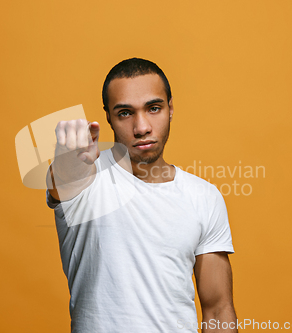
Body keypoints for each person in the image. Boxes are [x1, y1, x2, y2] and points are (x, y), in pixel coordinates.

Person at [45, 58, 237, 333]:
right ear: (108, 116)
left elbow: (218, 309)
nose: (142, 127)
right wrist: (67, 160)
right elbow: (62, 179)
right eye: (125, 113)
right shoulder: (86, 178)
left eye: (154, 108)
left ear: (170, 108)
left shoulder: (204, 197)